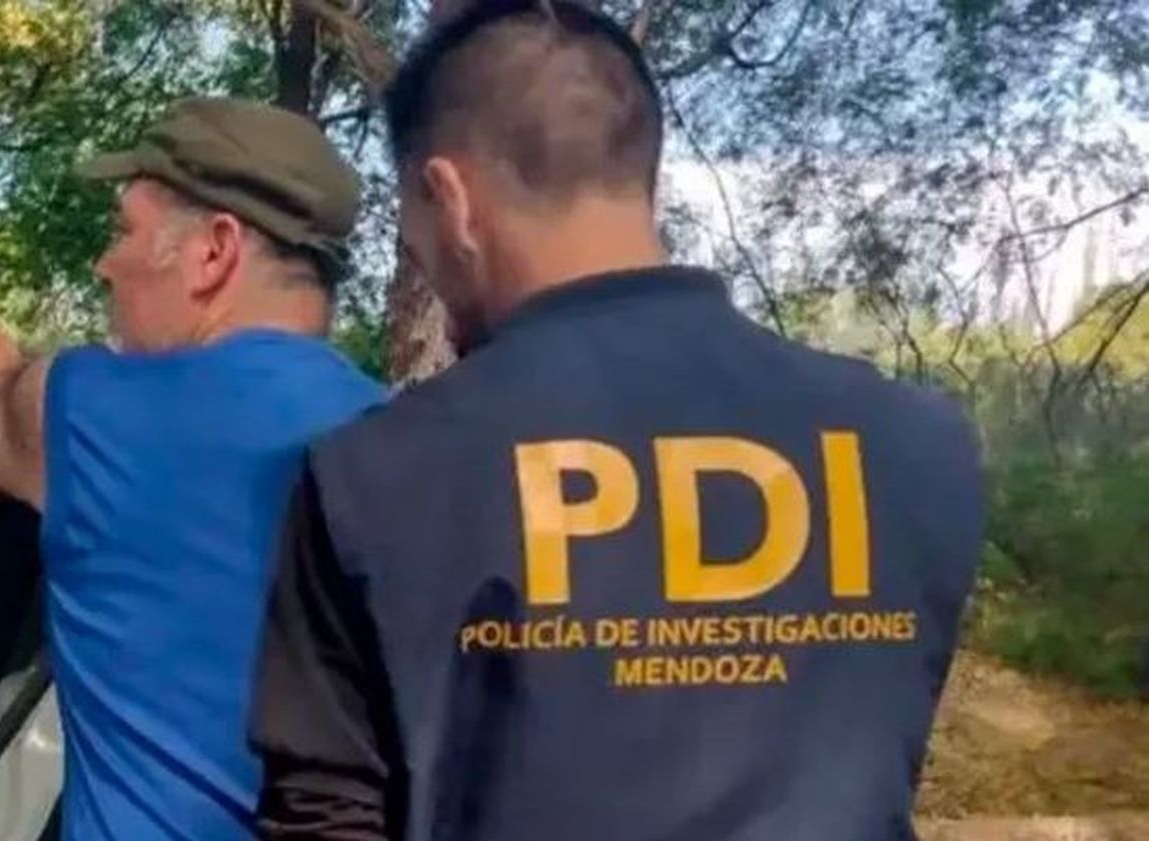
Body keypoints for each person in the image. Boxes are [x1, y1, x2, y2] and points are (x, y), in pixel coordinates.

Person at [248, 4, 984, 841]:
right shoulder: (917, 445)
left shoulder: (370, 474)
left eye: (410, 231)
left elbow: (324, 822)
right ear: (644, 174)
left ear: (447, 198)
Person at [0, 97, 385, 841]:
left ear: (215, 251)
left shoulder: (87, 411)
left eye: (124, 230)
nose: (105, 265)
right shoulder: (401, 433)